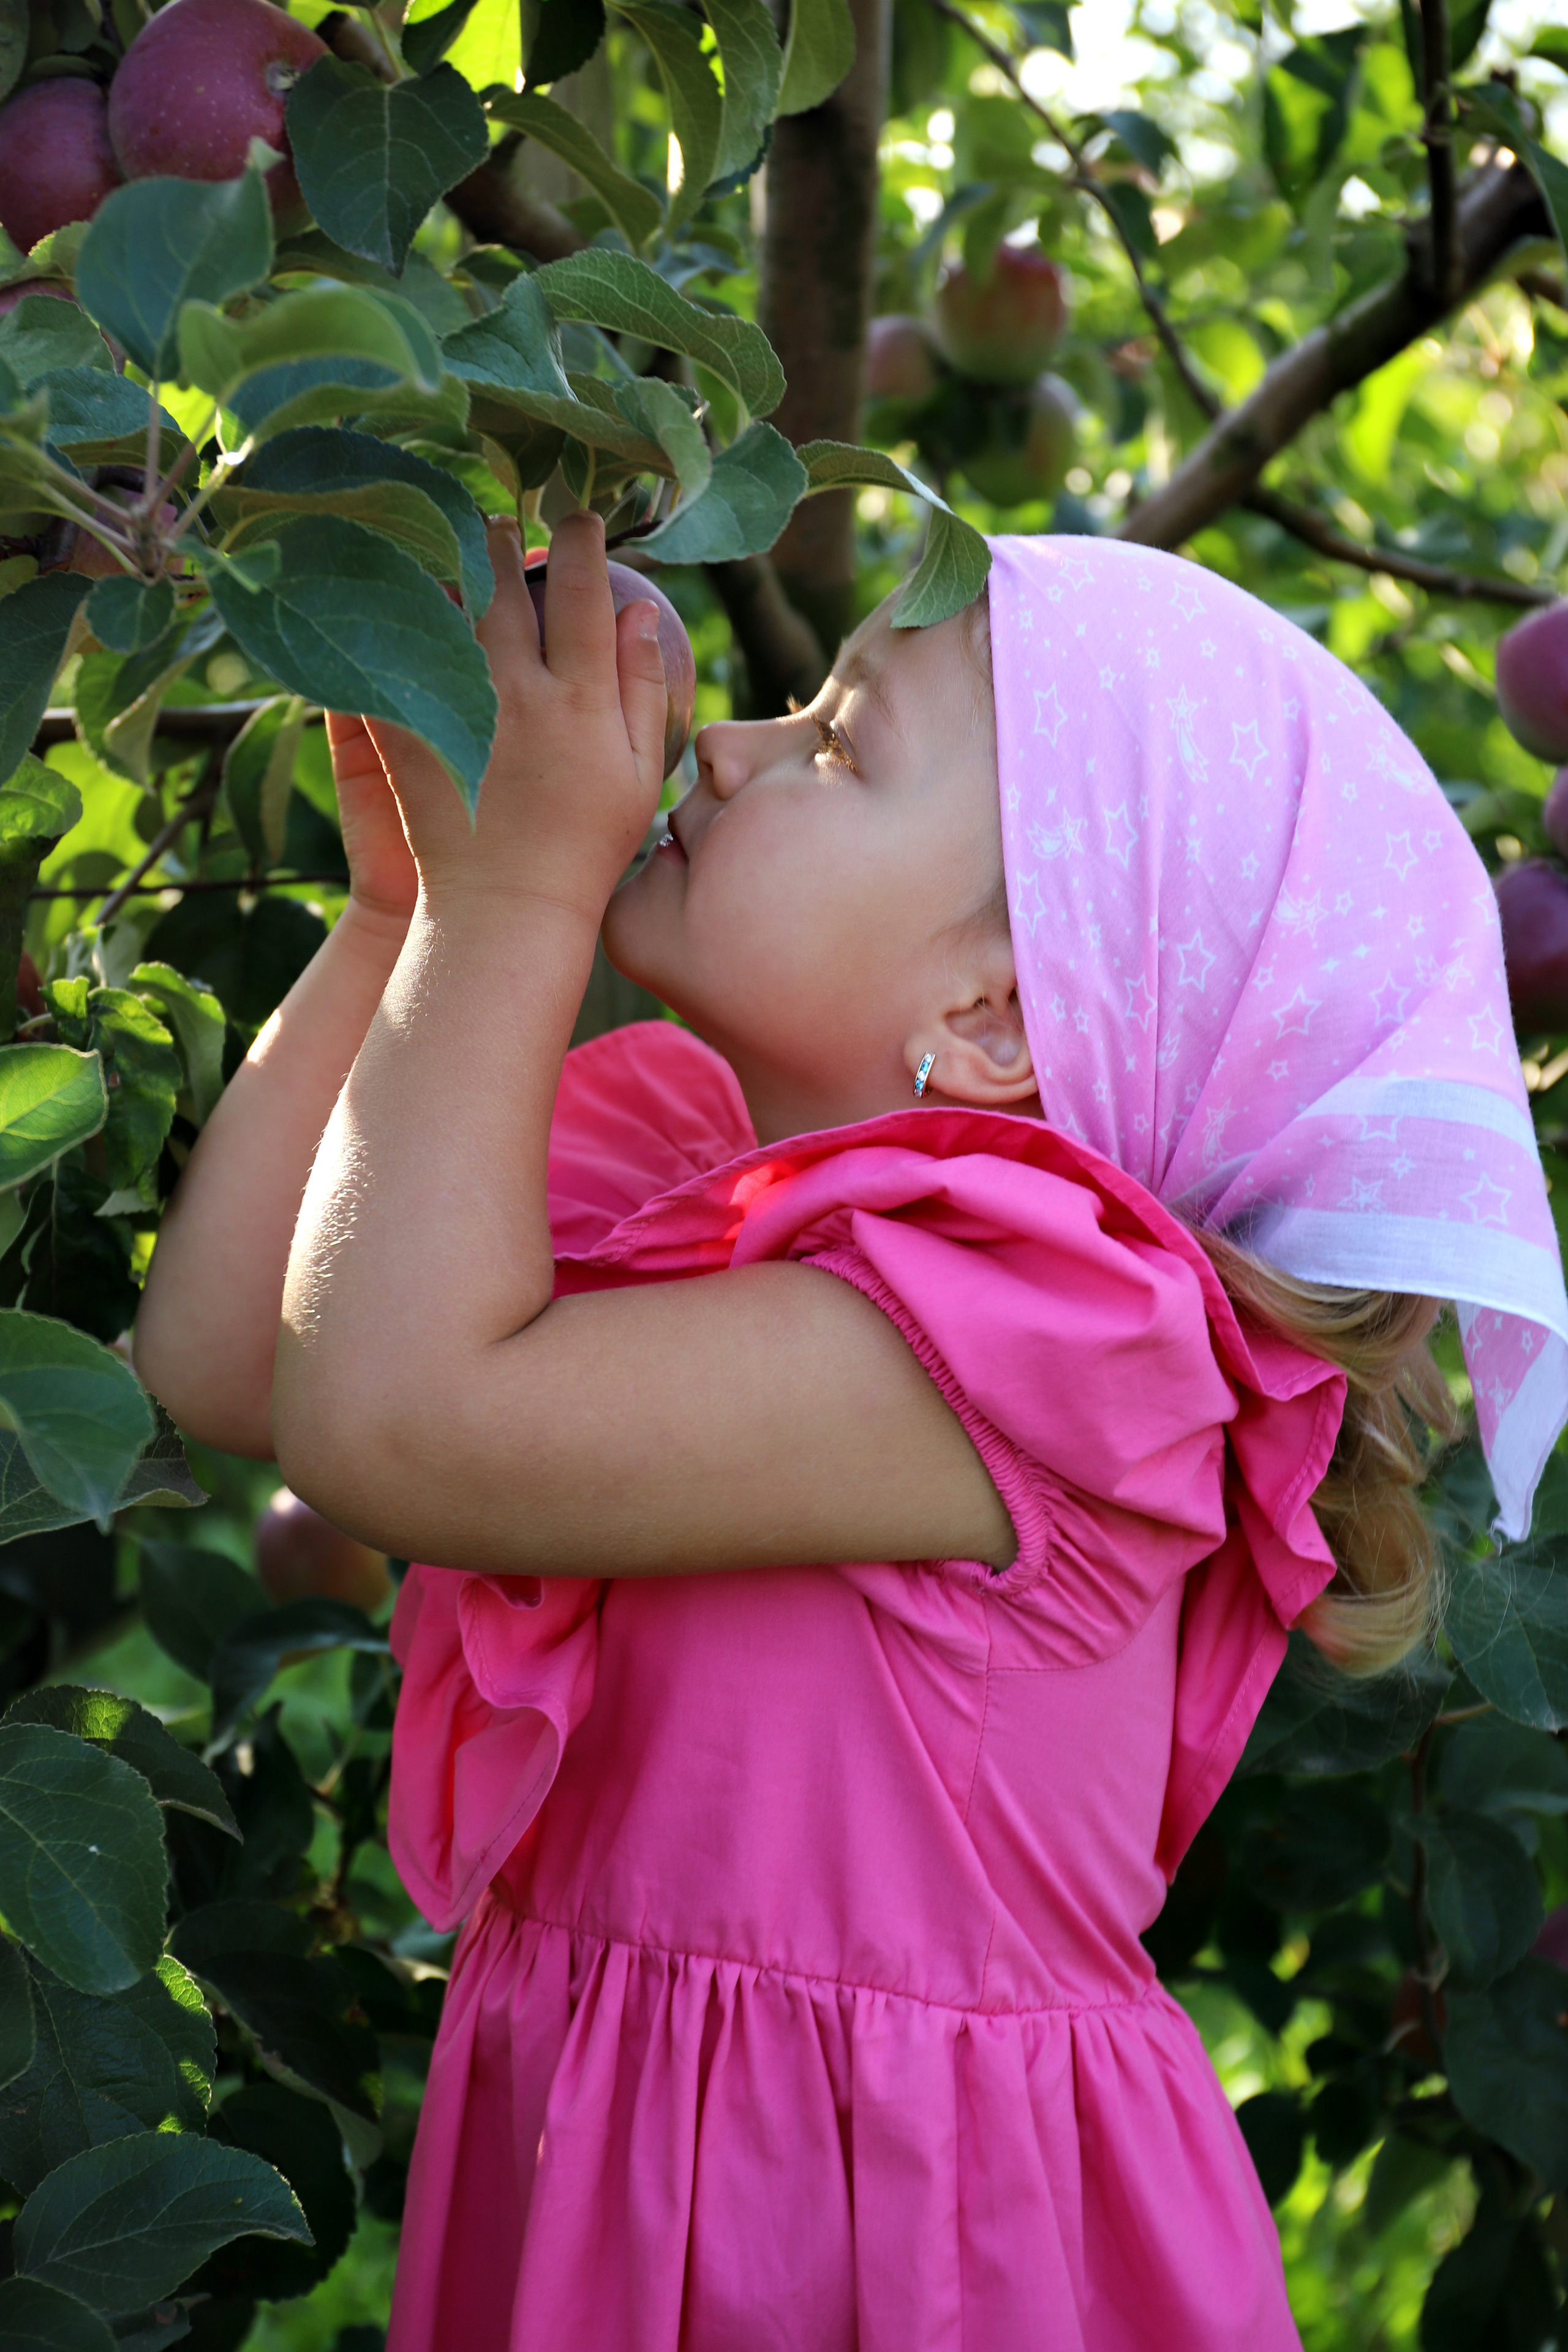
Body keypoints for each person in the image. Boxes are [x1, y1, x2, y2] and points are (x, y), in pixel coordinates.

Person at [137, 514, 1568, 2352]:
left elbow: (387, 1425)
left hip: (886, 2246)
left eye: (835, 746)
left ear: (987, 1017)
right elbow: (235, 1362)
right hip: (649, 2174)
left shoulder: (1054, 1341)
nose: (729, 746)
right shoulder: (688, 1177)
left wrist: (512, 906)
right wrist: (407, 910)